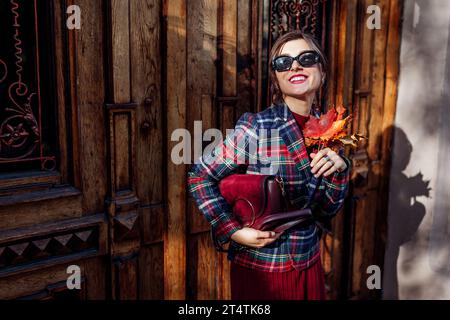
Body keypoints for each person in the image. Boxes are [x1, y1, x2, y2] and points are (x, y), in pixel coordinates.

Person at [188, 30, 351, 300]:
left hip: (309, 261)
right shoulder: (258, 127)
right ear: (276, 78)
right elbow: (200, 177)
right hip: (262, 271)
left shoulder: (331, 129)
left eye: (306, 58)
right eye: (283, 62)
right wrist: (233, 231)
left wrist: (340, 171)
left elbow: (325, 211)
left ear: (321, 71)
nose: (295, 66)